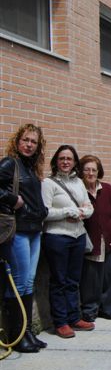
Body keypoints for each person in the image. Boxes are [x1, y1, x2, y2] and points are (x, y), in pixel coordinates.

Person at [0, 124, 49, 353]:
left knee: (28, 282)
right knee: (18, 282)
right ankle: (17, 337)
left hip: (34, 230)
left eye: (33, 142)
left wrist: (42, 210)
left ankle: (27, 332)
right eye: (26, 140)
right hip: (17, 230)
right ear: (17, 141)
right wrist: (12, 200)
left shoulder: (32, 167)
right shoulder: (10, 163)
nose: (29, 145)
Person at [42, 145, 95, 338]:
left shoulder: (79, 182)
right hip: (57, 238)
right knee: (59, 281)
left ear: (74, 162)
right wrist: (67, 212)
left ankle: (75, 317)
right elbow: (45, 212)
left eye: (69, 159)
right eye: (62, 158)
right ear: (56, 161)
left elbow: (88, 205)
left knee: (74, 280)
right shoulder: (48, 183)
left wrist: (84, 211)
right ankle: (61, 322)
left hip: (78, 236)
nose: (66, 162)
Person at [79, 155, 111, 321]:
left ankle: (107, 309)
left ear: (99, 172)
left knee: (109, 278)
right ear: (81, 171)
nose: (90, 173)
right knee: (91, 279)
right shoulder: (79, 191)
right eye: (87, 169)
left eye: (94, 169)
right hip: (91, 242)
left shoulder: (108, 190)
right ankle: (90, 311)